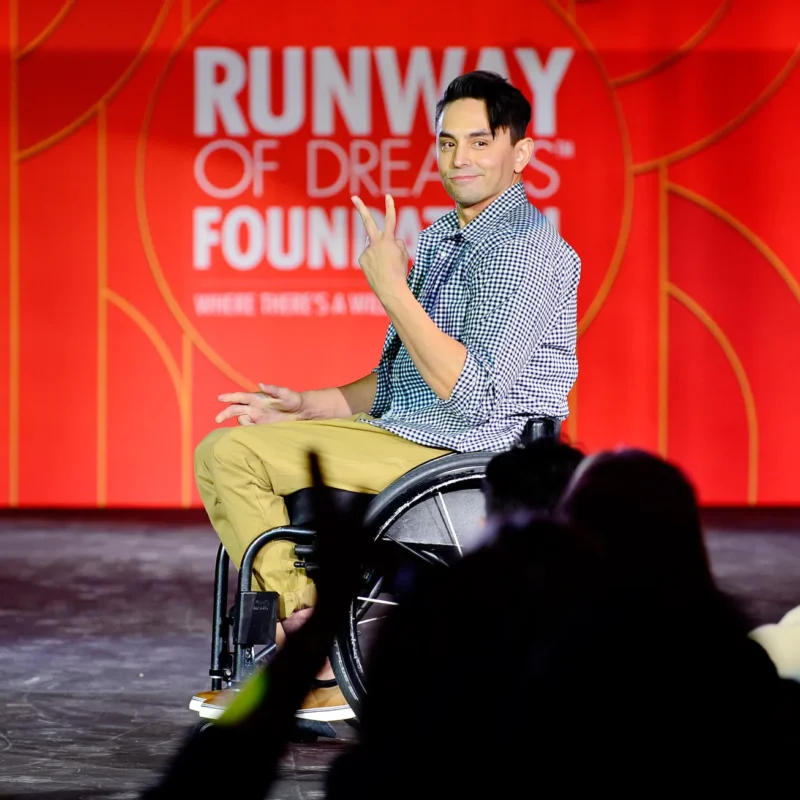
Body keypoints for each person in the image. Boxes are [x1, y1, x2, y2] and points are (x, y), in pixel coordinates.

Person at [192, 69, 581, 720]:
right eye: (448, 143)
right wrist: (309, 405)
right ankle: (309, 642)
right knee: (231, 449)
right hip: (410, 436)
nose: (460, 158)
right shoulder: (443, 236)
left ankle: (314, 653)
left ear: (521, 153)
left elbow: (474, 396)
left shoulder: (526, 250)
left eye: (480, 142)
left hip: (472, 456)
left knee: (230, 455)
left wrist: (393, 291)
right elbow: (403, 378)